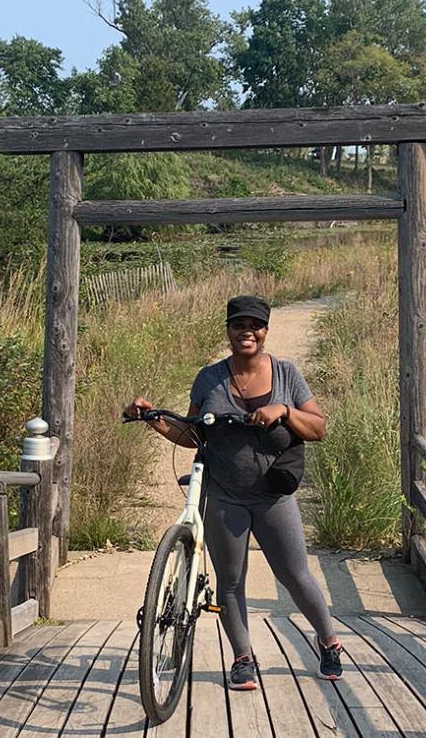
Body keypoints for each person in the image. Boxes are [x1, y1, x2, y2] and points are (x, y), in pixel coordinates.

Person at [124, 294, 343, 691]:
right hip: (223, 494)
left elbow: (319, 428)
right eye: (239, 324)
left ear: (265, 331)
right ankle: (243, 658)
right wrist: (152, 417)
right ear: (228, 330)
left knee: (295, 576)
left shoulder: (286, 374)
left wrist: (285, 411)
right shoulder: (209, 378)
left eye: (255, 325)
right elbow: (191, 435)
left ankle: (328, 641)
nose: (247, 332)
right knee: (229, 581)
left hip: (273, 495)